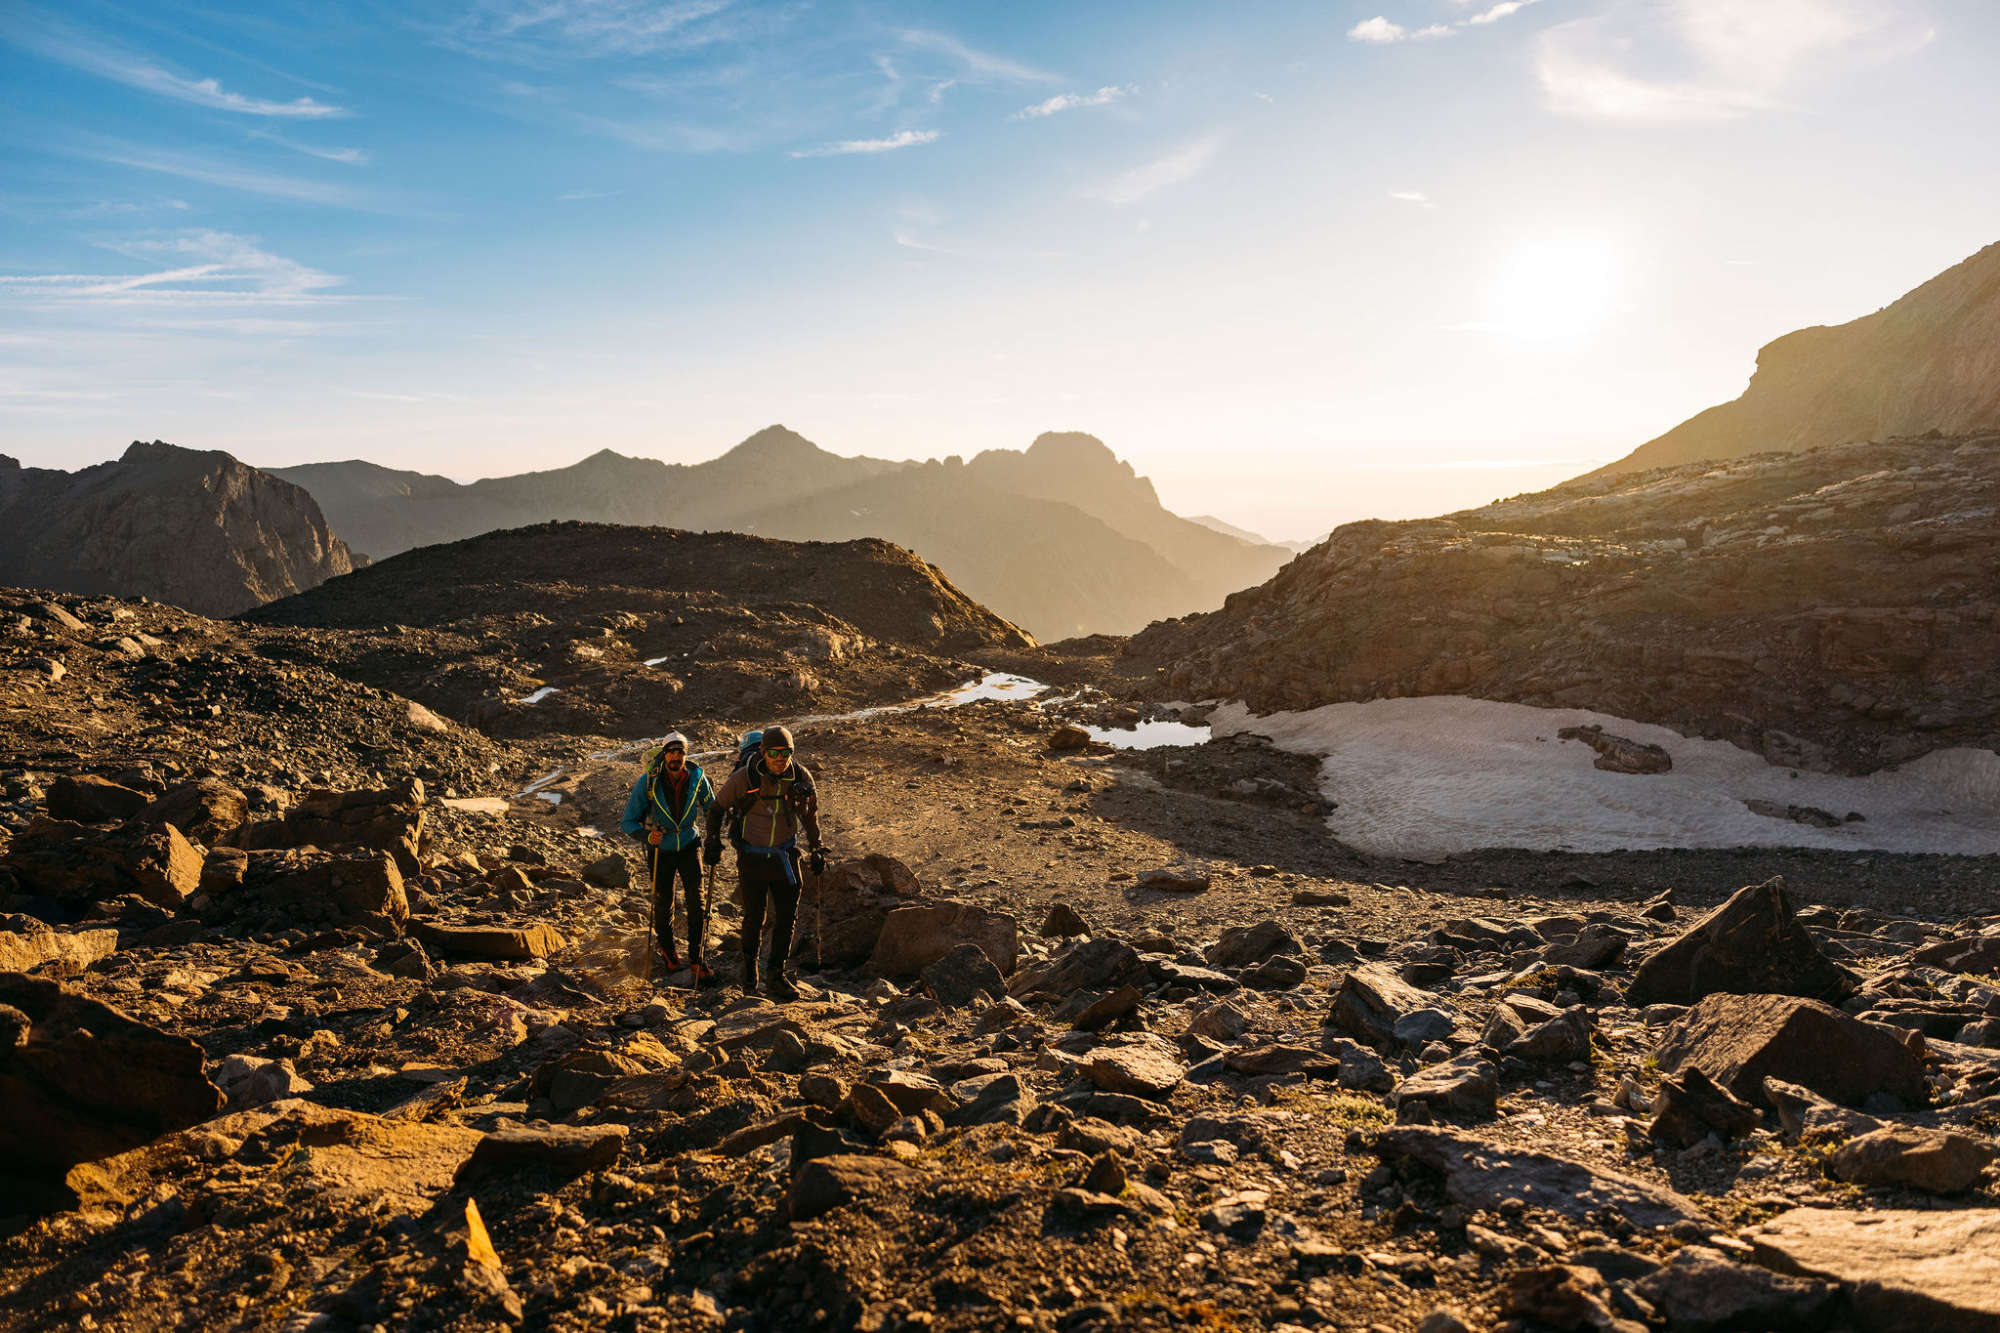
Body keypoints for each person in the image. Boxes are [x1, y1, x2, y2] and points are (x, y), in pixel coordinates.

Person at [703, 724, 828, 1001]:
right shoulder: (744, 777)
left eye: (785, 753)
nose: (779, 758)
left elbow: (810, 816)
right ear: (762, 752)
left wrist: (817, 848)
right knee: (754, 918)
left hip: (785, 855)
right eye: (773, 753)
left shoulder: (800, 776)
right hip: (752, 857)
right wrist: (712, 839)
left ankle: (776, 976)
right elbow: (716, 808)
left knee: (786, 918)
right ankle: (749, 977)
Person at [619, 731, 716, 984]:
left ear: (686, 754)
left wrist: (715, 836)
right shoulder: (648, 782)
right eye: (671, 751)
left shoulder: (698, 777)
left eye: (680, 751)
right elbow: (628, 822)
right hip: (660, 849)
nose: (675, 756)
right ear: (664, 755)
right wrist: (646, 835)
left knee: (697, 901)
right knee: (663, 903)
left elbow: (712, 808)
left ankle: (696, 958)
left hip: (689, 844)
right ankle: (669, 953)